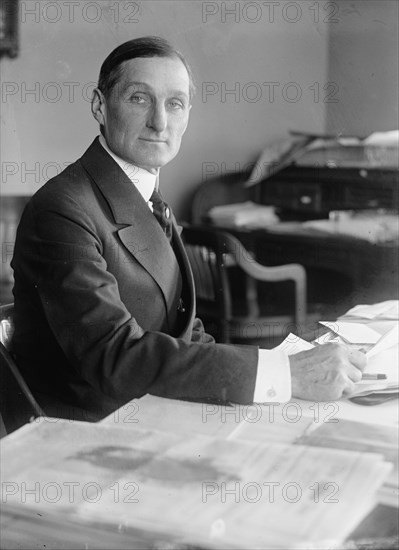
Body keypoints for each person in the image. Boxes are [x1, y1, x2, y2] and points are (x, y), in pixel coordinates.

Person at [10, 37, 366, 421]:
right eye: (139, 98)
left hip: (149, 408)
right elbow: (114, 356)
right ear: (100, 105)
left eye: (175, 103)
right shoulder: (63, 209)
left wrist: (274, 374)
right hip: (86, 432)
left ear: (187, 114)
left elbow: (183, 331)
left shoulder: (145, 195)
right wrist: (284, 374)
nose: (160, 122)